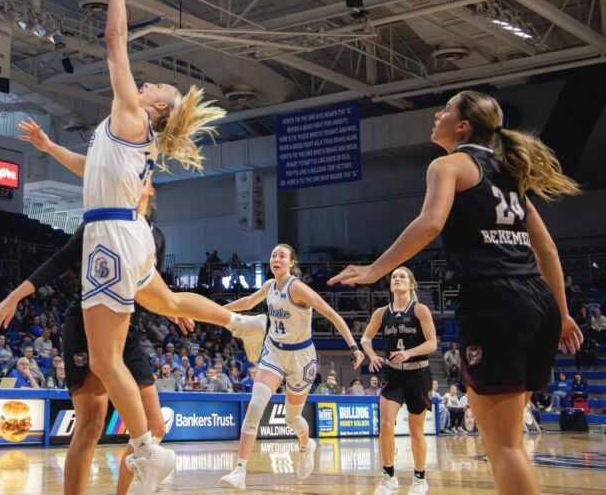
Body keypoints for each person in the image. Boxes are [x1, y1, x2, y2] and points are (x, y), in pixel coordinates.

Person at [331, 91, 583, 495]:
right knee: (511, 443)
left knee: (502, 447)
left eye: (446, 109)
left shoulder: (447, 165)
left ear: (463, 125)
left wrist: (375, 269)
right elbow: (547, 249)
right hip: (537, 301)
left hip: (494, 302)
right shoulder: (509, 173)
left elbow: (430, 223)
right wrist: (564, 312)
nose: (437, 114)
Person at [17, 112, 265, 495]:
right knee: (93, 418)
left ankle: (148, 454)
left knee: (132, 392)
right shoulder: (113, 208)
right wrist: (170, 307)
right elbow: (65, 255)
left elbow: (95, 168)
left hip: (121, 301)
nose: (148, 183)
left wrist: (117, 49)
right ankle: (241, 324)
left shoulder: (133, 207)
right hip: (91, 314)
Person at [220, 244, 364, 489]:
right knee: (255, 406)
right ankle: (240, 470)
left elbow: (332, 314)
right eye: (273, 254)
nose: (276, 258)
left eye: (282, 256)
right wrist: (216, 311)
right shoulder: (268, 286)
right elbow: (247, 302)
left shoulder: (297, 288)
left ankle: (307, 445)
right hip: (274, 352)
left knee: (292, 419)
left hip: (301, 358)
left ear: (291, 263)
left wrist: (354, 347)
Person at [360, 266, 438, 495]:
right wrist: (373, 356)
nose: (397, 279)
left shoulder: (420, 310)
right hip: (393, 374)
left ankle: (420, 479)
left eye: (402, 276)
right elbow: (366, 338)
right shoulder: (381, 313)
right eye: (394, 276)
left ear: (411, 285)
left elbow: (432, 343)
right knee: (385, 425)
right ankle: (388, 477)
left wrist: (409, 352)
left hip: (418, 374)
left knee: (416, 431)